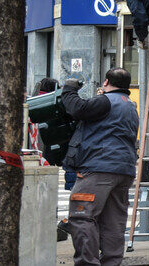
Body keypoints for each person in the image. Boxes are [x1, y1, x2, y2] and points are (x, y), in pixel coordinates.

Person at [60, 68, 139, 266]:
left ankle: (88, 263)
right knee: (114, 222)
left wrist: (68, 90)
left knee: (82, 216)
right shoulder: (130, 105)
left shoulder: (105, 100)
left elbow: (77, 108)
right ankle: (112, 263)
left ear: (105, 83)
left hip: (99, 168)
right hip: (124, 170)